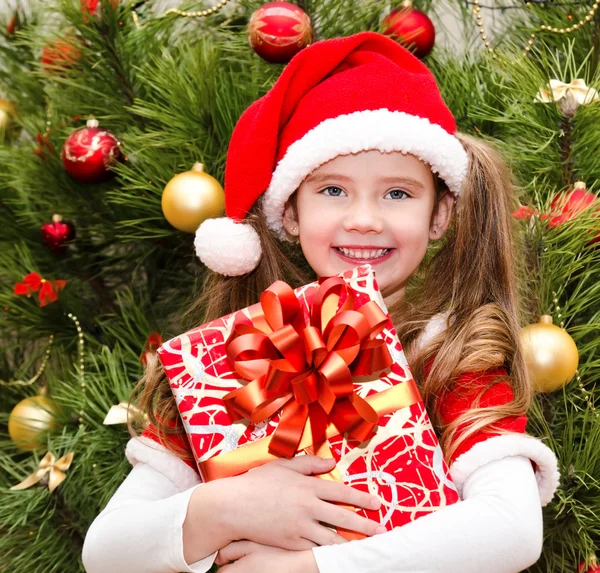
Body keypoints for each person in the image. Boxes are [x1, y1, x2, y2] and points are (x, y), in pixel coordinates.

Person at [82, 32, 560, 573]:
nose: (363, 218)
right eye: (332, 190)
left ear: (439, 215)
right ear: (290, 213)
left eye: (397, 193)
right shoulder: (225, 366)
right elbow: (106, 551)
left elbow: (512, 530)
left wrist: (305, 568)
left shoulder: (451, 356)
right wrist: (225, 507)